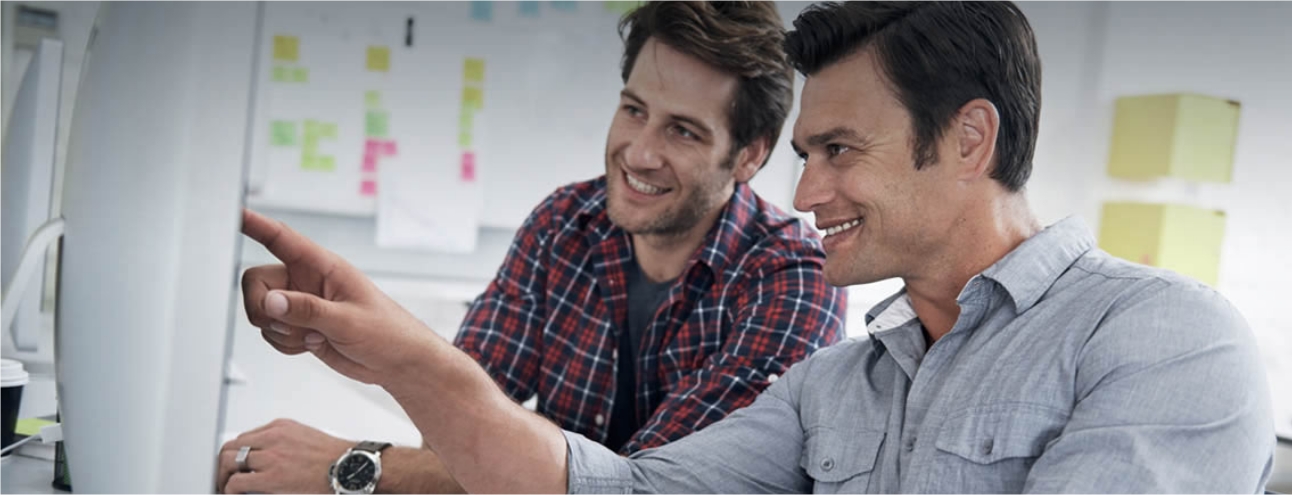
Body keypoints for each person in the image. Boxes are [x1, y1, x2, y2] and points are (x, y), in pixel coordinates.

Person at [230, 1, 1277, 493]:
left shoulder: (1168, 341)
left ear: (966, 140)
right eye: (807, 155)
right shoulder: (838, 386)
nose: (806, 193)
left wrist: (360, 460)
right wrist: (390, 351)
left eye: (836, 153)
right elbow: (615, 490)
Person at [216, 2, 847, 493]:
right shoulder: (564, 224)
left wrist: (353, 468)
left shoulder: (793, 278)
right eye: (633, 110)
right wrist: (366, 339)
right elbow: (454, 431)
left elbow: (640, 487)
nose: (640, 153)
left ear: (750, 154)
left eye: (682, 130)